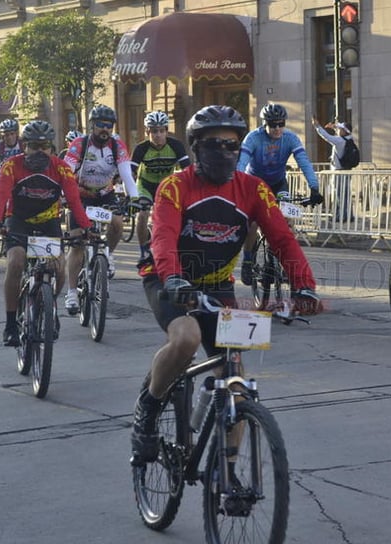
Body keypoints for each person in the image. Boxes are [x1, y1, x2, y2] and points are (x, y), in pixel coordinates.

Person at [129, 105, 321, 466]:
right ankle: (149, 408)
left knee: (235, 379)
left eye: (232, 146)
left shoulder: (254, 189)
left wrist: (304, 286)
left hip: (217, 285)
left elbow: (282, 239)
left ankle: (228, 473)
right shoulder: (175, 186)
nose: (224, 152)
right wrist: (173, 278)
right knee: (186, 338)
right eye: (214, 144)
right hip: (168, 279)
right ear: (196, 148)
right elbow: (164, 237)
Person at [0, 120, 93, 347]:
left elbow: (74, 201)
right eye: (34, 146)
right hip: (18, 220)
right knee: (16, 262)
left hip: (49, 221)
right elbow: (1, 195)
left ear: (51, 148)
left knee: (59, 267)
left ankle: (49, 307)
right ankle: (10, 323)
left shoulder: (61, 168)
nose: (40, 151)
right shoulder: (11, 165)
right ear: (25, 146)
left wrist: (86, 228)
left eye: (44, 146)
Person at [62, 104, 139, 313]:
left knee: (117, 223)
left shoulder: (117, 146)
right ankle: (71, 293)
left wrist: (136, 198)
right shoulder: (80, 144)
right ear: (92, 125)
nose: (105, 129)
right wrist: (63, 194)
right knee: (77, 242)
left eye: (109, 125)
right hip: (81, 195)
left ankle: (108, 253)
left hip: (105, 193)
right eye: (100, 125)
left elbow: (126, 175)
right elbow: (66, 172)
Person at [236, 103, 323, 286]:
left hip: (278, 184)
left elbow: (304, 162)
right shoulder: (253, 138)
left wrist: (314, 188)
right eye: (273, 124)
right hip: (255, 185)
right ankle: (248, 260)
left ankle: (283, 262)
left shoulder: (290, 138)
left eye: (280, 124)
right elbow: (241, 164)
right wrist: (238, 185)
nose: (277, 128)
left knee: (286, 221)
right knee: (252, 224)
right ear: (264, 124)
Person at [130, 110, 191, 265]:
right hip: (145, 185)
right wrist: (130, 195)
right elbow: (129, 174)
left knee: (177, 215)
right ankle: (144, 250)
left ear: (166, 131)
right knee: (143, 213)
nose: (158, 135)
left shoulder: (176, 146)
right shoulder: (141, 148)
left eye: (161, 131)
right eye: (154, 131)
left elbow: (188, 172)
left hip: (166, 187)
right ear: (147, 131)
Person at [312, 117, 354, 222]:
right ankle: (348, 215)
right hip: (346, 171)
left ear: (344, 131)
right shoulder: (349, 139)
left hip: (338, 172)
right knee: (346, 194)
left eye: (340, 129)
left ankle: (342, 216)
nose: (338, 130)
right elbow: (340, 134)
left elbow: (327, 137)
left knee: (339, 194)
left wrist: (317, 126)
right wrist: (334, 127)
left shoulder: (339, 141)